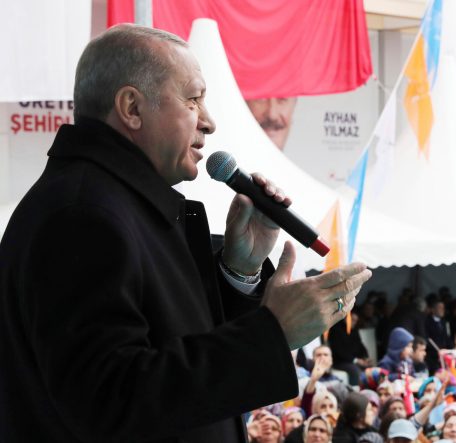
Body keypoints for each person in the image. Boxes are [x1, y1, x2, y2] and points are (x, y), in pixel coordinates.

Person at [0, 24, 372, 442]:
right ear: (131, 107)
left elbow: (177, 347)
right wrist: (272, 331)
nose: (209, 122)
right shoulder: (82, 216)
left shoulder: (116, 204)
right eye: (193, 100)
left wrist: (239, 269)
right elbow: (111, 398)